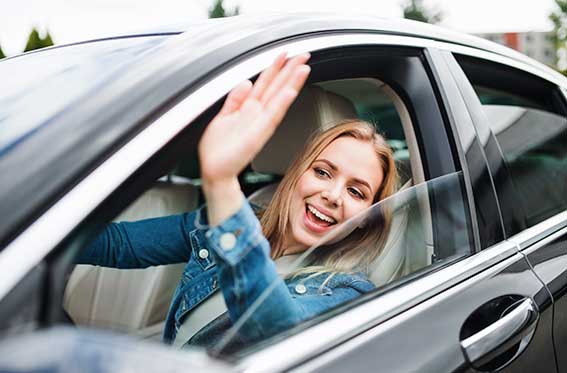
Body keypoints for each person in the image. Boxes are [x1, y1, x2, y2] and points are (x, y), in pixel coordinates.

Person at [76, 53, 399, 350]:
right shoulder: (222, 222)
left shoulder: (348, 292)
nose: (332, 195)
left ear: (367, 217)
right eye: (323, 172)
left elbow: (274, 327)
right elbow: (119, 244)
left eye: (356, 192)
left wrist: (222, 183)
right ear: (297, 173)